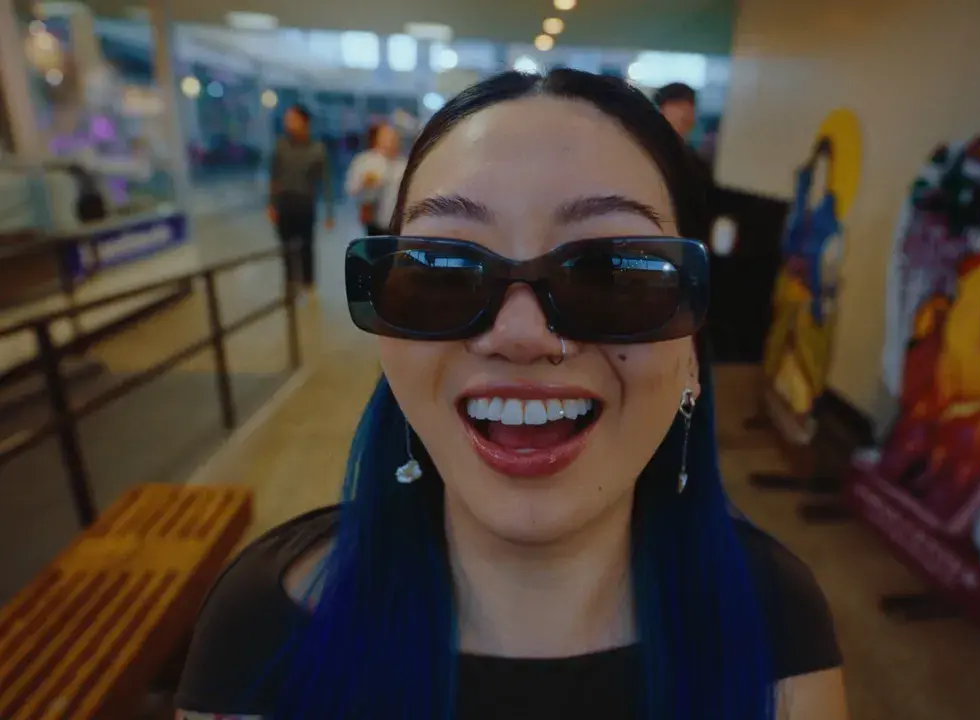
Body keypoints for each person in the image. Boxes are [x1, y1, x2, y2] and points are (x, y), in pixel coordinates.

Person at [176, 69, 846, 719]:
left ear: (692, 346)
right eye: (443, 268)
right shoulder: (263, 631)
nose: (520, 334)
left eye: (613, 270)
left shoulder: (776, 622)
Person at [268, 104, 334, 290]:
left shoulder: (317, 149)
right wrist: (271, 204)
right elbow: (274, 176)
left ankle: (308, 281)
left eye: (293, 119)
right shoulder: (280, 146)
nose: (288, 123)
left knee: (306, 244)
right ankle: (290, 280)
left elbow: (326, 182)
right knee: (286, 245)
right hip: (284, 201)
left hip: (305, 202)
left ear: (305, 122)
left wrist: (329, 213)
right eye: (287, 119)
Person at [344, 122, 405, 236]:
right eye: (387, 136)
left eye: (394, 137)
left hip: (398, 223)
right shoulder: (364, 161)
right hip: (373, 221)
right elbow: (351, 188)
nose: (392, 141)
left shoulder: (403, 164)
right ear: (377, 139)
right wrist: (364, 183)